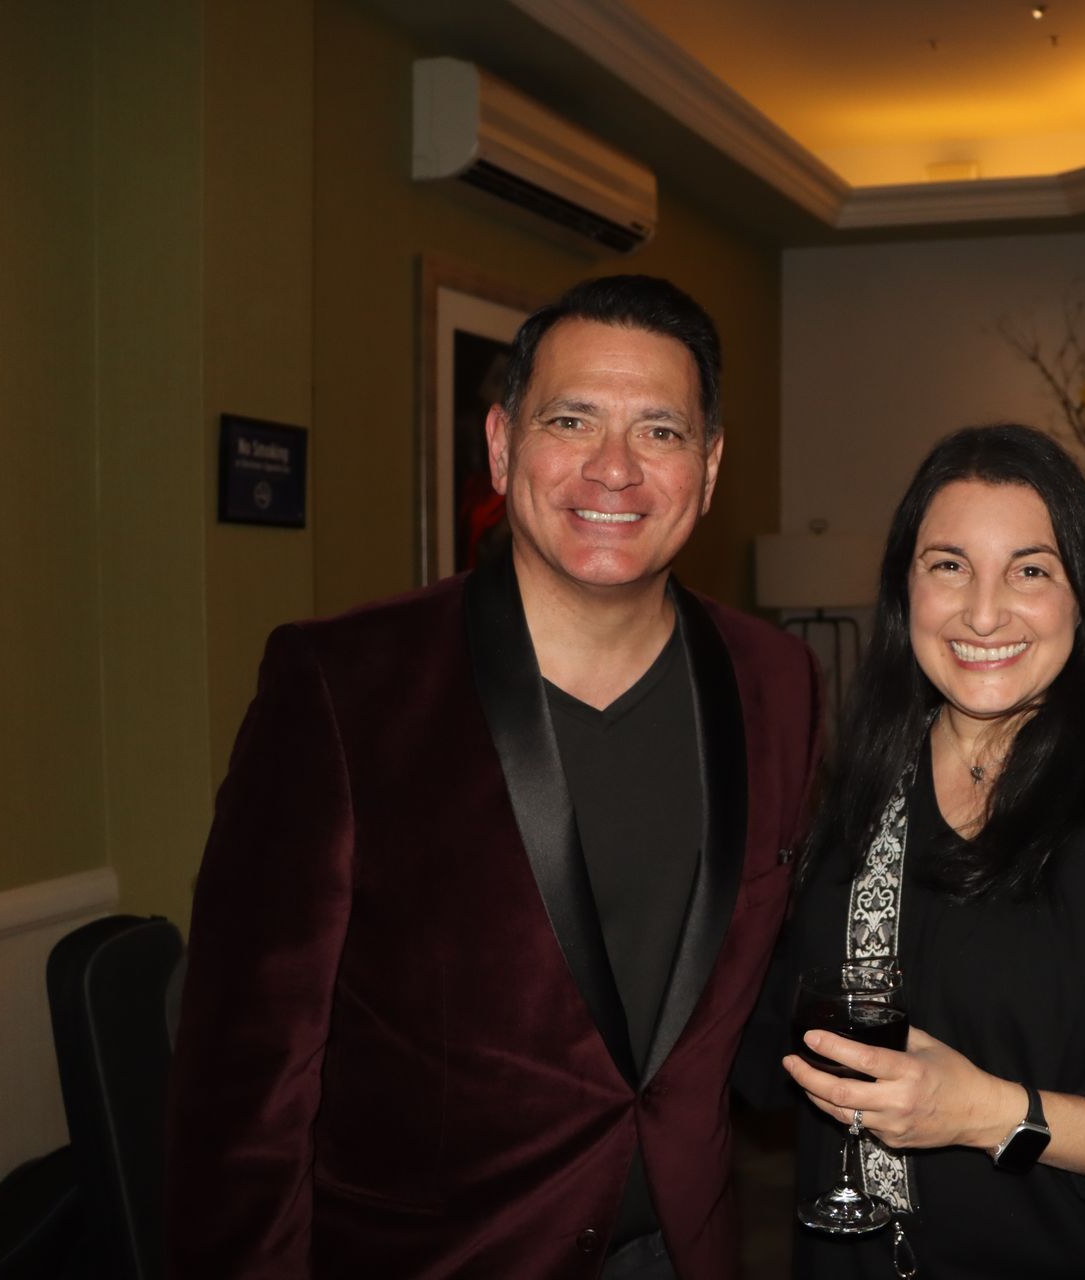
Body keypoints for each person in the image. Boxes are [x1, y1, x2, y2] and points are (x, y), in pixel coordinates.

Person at [165, 275, 822, 1280]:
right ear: (503, 443)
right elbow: (246, 1079)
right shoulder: (344, 685)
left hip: (684, 1250)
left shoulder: (776, 681)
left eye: (660, 432)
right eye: (573, 420)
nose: (615, 470)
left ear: (711, 462)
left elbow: (773, 986)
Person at [778, 424, 1085, 1278]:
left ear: (1082, 597)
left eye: (1030, 570)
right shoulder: (861, 792)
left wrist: (983, 1114)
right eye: (949, 565)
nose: (984, 613)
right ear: (905, 589)